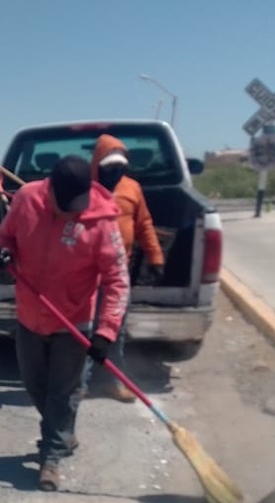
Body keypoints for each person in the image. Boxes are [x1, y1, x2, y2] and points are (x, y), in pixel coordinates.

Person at [0, 155, 129, 491]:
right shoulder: (26, 200)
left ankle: (50, 457)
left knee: (62, 393)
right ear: (49, 190)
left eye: (77, 205)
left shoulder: (101, 222)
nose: (72, 211)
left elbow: (117, 280)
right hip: (29, 315)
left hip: (74, 321)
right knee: (36, 386)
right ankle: (64, 434)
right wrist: (3, 254)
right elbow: (5, 237)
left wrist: (106, 331)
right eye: (64, 204)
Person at [85, 134, 166, 401]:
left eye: (120, 166)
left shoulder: (132, 188)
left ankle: (112, 380)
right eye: (109, 167)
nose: (115, 172)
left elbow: (143, 224)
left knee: (114, 330)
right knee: (84, 330)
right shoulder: (83, 188)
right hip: (84, 273)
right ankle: (80, 383)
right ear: (97, 164)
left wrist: (155, 257)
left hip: (119, 272)